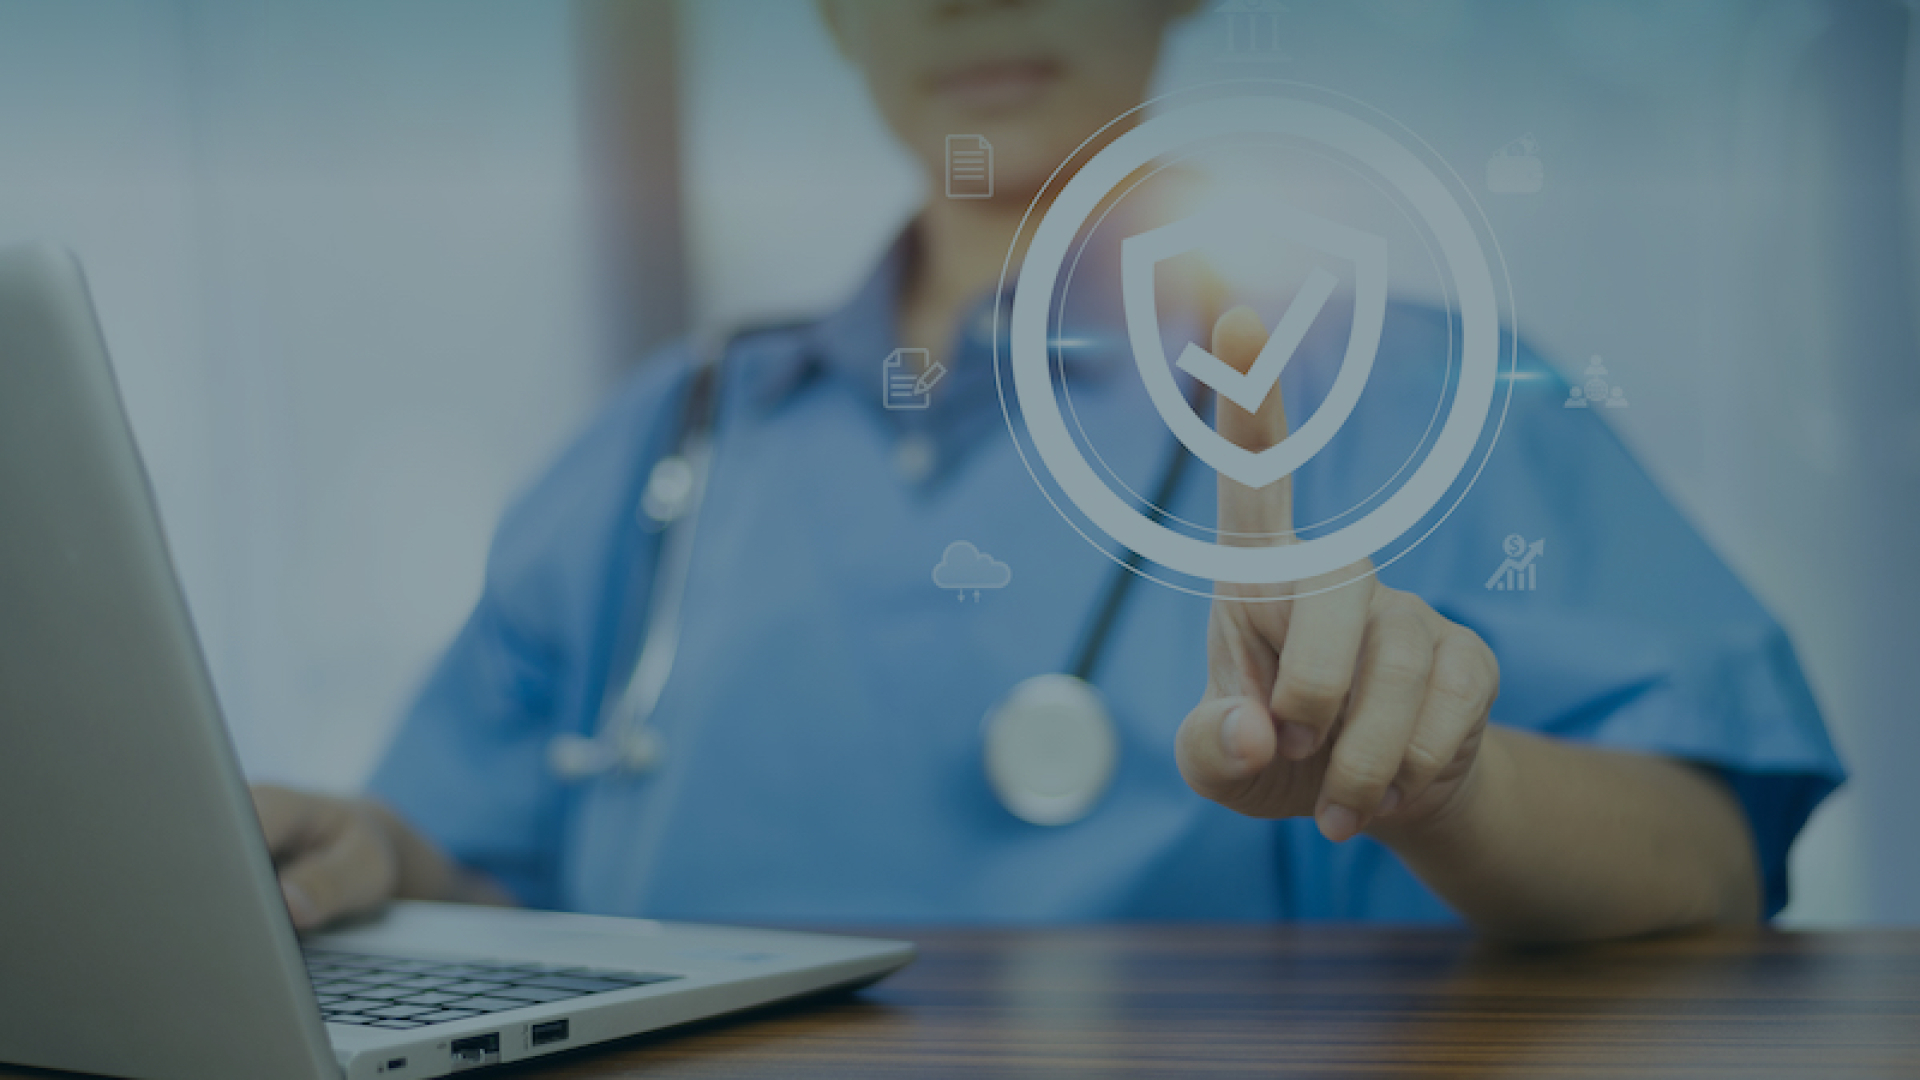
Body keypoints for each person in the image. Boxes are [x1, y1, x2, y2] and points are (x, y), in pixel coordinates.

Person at [252, 0, 1841, 942]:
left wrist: (1451, 783)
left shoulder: (1423, 386)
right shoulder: (669, 437)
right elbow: (487, 892)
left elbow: (1709, 866)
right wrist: (382, 863)